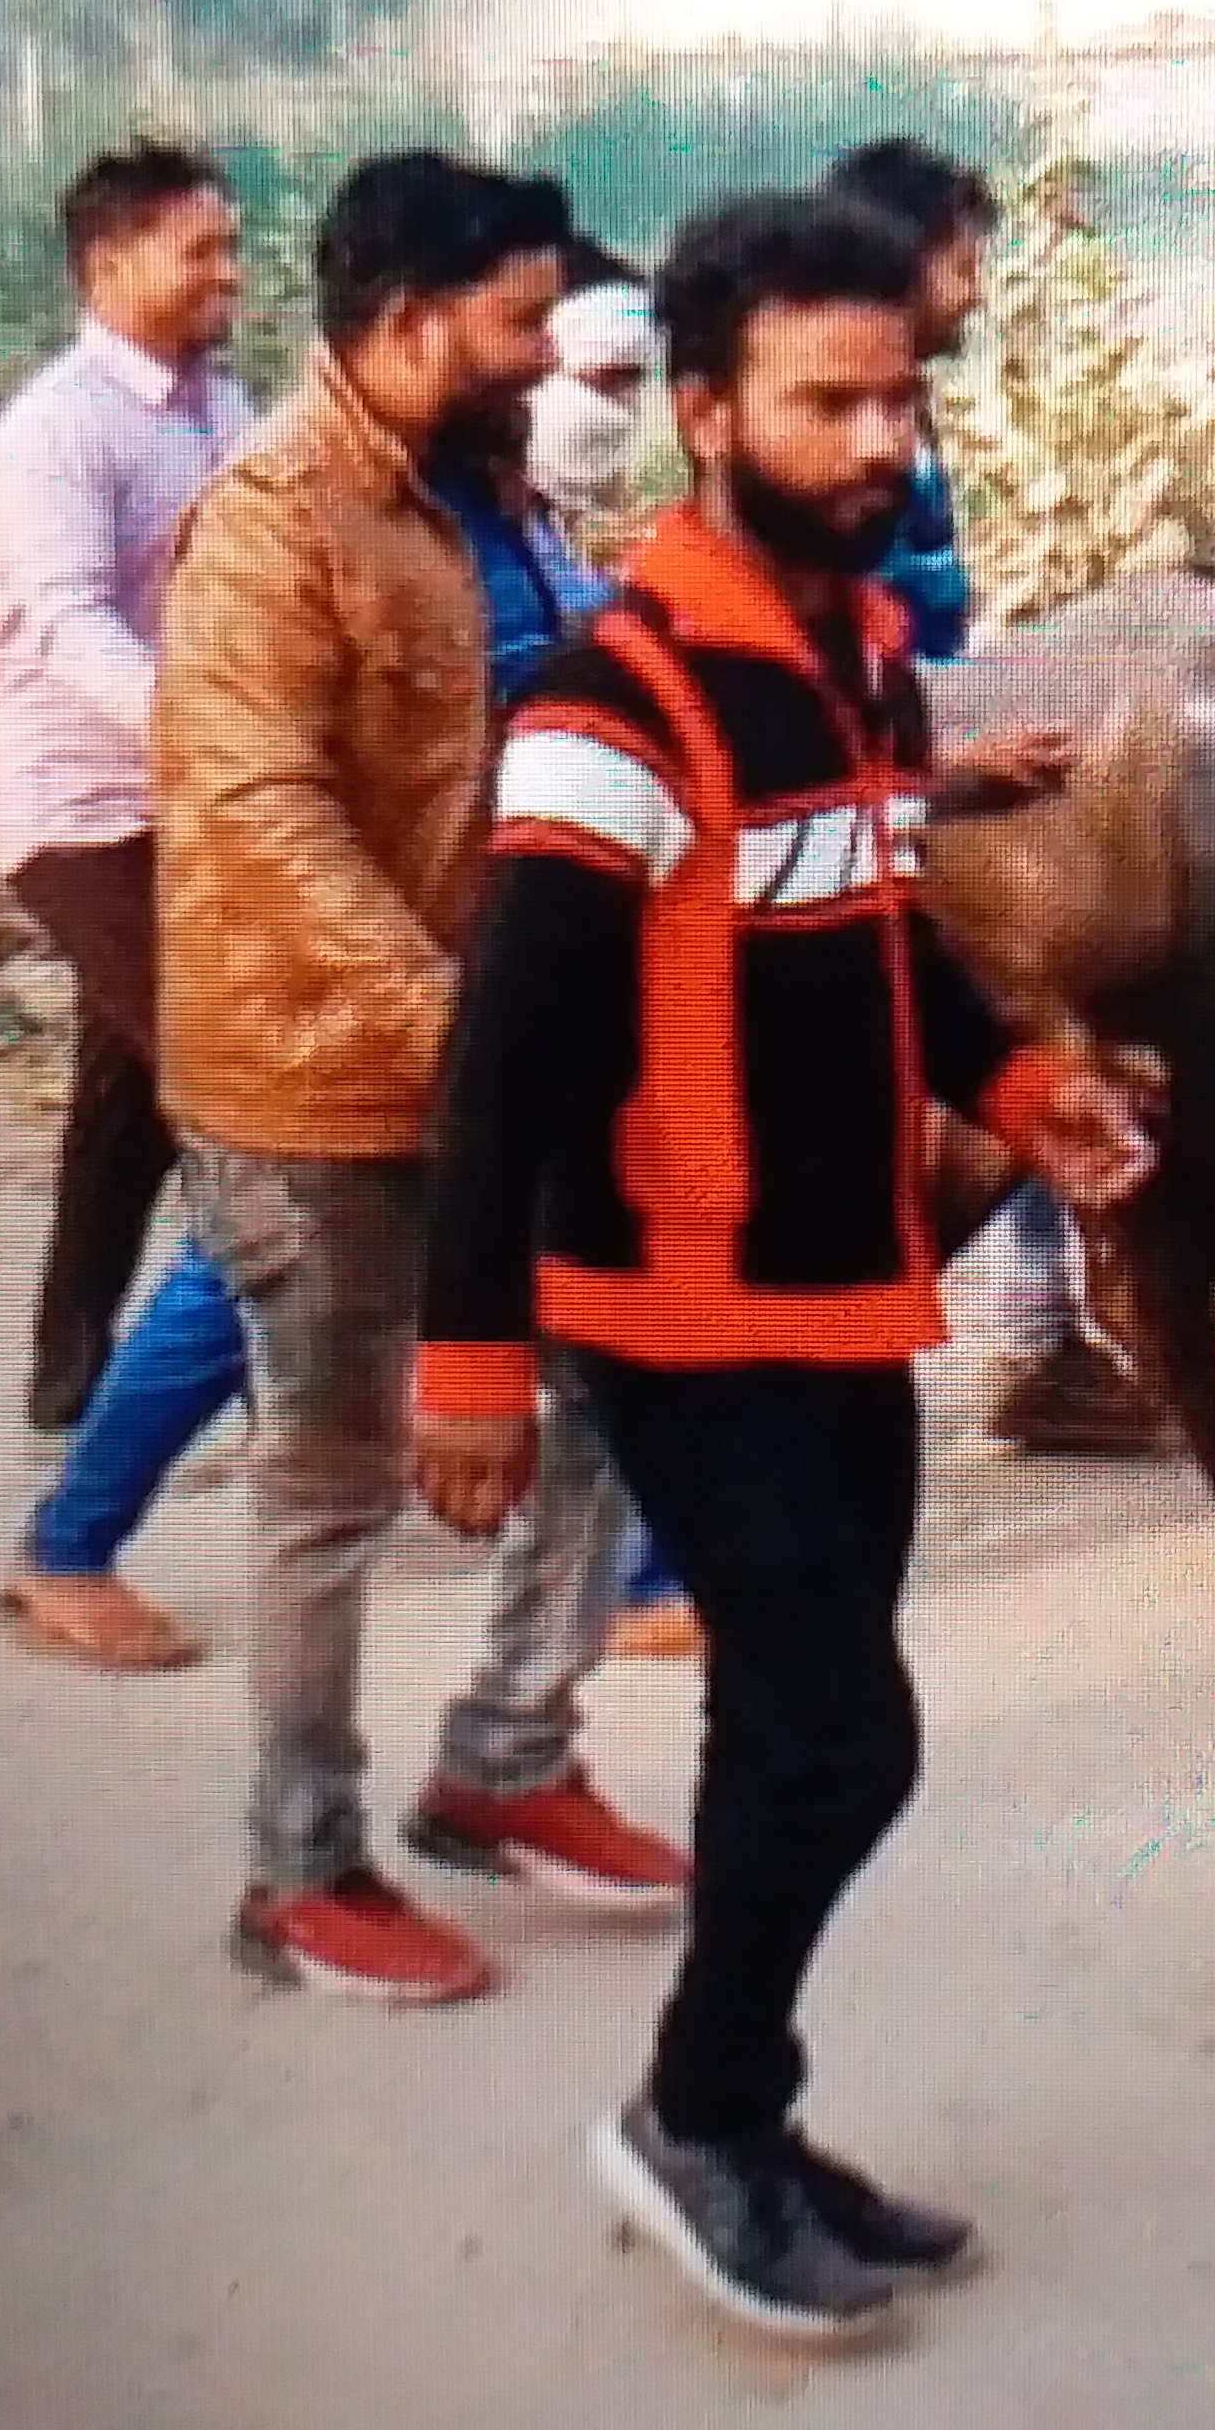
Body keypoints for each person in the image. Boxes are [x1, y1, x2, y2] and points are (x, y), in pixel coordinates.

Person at [414, 192, 1160, 2342]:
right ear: (708, 411)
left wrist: (1022, 1098)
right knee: (846, 1741)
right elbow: (506, 1069)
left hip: (845, 1289)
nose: (875, 442)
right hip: (680, 1309)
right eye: (824, 403)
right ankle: (696, 2112)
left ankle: (739, 2107)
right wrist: (467, 1356)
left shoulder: (846, 661)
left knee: (801, 1727)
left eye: (899, 397)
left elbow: (868, 937)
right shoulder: (608, 709)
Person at [154, 151, 683, 2005]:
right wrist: (462, 1021)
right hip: (321, 1089)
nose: (552, 355)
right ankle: (299, 1874)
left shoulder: (494, 489)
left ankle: (508, 1761)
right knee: (333, 1481)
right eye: (522, 321)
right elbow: (261, 809)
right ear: (400, 327)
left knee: (613, 1388)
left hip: (502, 1068)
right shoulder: (271, 523)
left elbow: (612, 695)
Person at [815, 135, 1164, 1463]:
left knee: (1006, 1054)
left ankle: (1043, 1332)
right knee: (986, 1051)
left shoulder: (899, 418)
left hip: (929, 759)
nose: (973, 293)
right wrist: (932, 764)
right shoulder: (846, 450)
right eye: (961, 264)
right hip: (894, 782)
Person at [0, 145, 269, 1667]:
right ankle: (99, 1510)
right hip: (88, 816)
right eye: (202, 252)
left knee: (133, 1096)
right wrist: (217, 732)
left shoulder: (232, 412)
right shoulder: (53, 435)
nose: (230, 276)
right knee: (244, 1104)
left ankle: (67, 1372)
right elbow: (63, 627)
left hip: (197, 807)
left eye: (233, 250)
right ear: (110, 267)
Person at [525, 263, 708, 1663]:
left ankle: (652, 1579)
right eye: (591, 386)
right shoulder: (425, 532)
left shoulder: (541, 536)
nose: (608, 417)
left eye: (626, 393)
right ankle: (76, 1534)